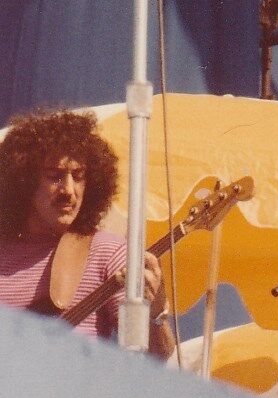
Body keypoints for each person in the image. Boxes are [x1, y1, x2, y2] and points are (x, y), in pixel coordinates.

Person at [0, 108, 163, 342]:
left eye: (78, 176)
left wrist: (157, 314)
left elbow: (152, 360)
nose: (69, 190)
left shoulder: (107, 253)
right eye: (55, 176)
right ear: (24, 182)